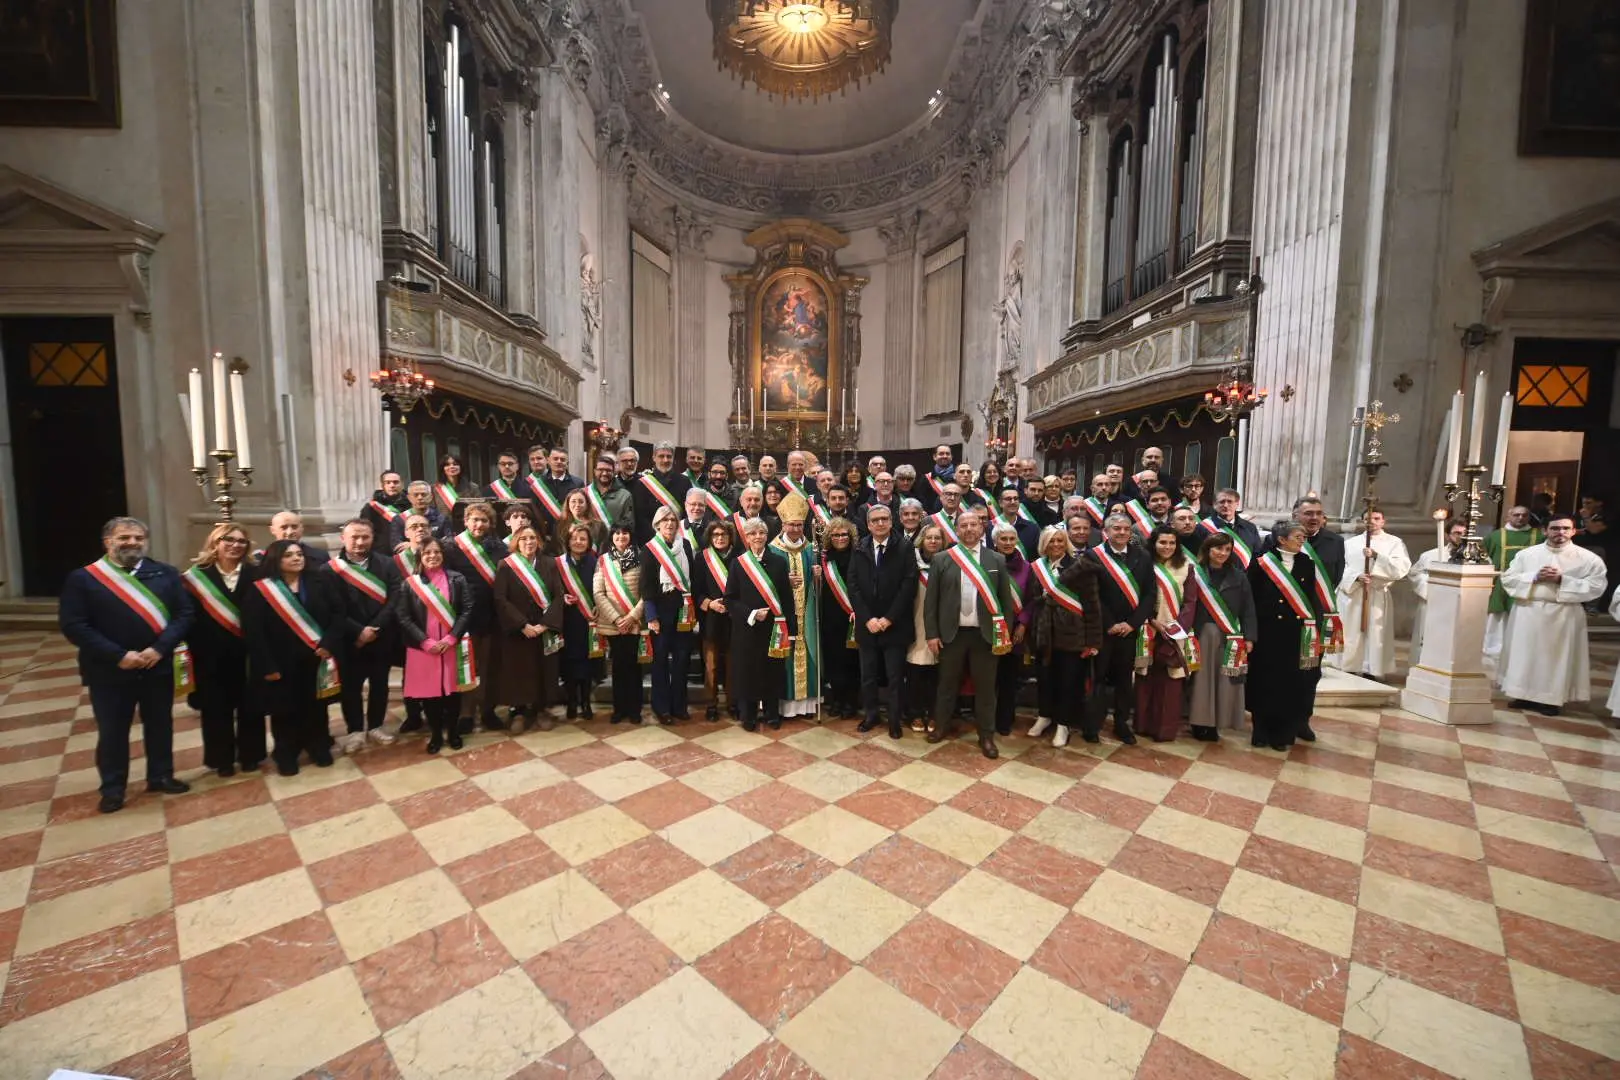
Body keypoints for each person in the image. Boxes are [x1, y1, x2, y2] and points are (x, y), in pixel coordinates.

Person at [61, 517, 195, 813]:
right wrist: (117, 655)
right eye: (124, 538)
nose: (132, 543)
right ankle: (113, 787)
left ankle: (161, 775)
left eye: (138, 537)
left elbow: (184, 615)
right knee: (112, 731)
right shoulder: (84, 579)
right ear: (108, 541)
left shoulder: (165, 573)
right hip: (109, 670)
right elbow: (74, 625)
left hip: (156, 665)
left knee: (160, 725)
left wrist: (159, 649)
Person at [924, 508, 1017, 759]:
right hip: (951, 635)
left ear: (982, 528)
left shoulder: (995, 560)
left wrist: (1003, 635)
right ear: (956, 529)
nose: (968, 529)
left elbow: (1006, 603)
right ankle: (941, 726)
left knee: (986, 689)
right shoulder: (942, 559)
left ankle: (986, 735)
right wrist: (932, 634)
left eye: (974, 524)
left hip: (985, 636)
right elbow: (931, 602)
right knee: (946, 685)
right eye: (963, 525)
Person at [246, 538, 343, 775]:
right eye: (289, 555)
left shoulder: (320, 581)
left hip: (316, 656)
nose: (296, 558)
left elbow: (338, 615)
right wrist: (266, 664)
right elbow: (254, 631)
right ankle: (286, 753)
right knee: (284, 709)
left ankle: (318, 746)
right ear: (276, 560)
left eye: (299, 554)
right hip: (281, 660)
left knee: (316, 707)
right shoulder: (262, 589)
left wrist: (329, 644)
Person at [1497, 515, 1609, 716]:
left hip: (1564, 613)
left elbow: (1597, 586)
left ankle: (1550, 699)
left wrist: (1562, 580)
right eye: (1555, 528)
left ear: (1574, 531)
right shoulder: (1527, 555)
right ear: (1545, 531)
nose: (1561, 533)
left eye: (1566, 528)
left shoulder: (1589, 559)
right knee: (1525, 655)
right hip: (1528, 610)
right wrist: (1534, 576)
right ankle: (1522, 694)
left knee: (1555, 659)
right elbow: (1508, 579)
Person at [184, 523, 262, 777]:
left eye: (241, 541)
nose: (235, 545)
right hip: (210, 654)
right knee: (216, 709)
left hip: (248, 653)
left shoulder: (255, 573)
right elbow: (188, 617)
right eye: (228, 540)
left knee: (250, 707)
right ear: (215, 543)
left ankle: (251, 755)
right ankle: (222, 759)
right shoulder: (196, 576)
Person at [1248, 521, 1325, 751]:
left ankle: (1283, 734)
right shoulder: (1263, 563)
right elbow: (1251, 599)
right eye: (1298, 537)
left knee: (1290, 684)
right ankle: (1260, 730)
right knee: (1263, 681)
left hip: (1295, 634)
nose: (1303, 540)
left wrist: (1314, 631)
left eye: (1303, 537)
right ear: (1282, 539)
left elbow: (1312, 599)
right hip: (1268, 632)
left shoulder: (1307, 564)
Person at [327, 518, 399, 753]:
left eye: (365, 537)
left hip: (381, 637)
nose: (359, 541)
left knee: (380, 685)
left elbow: (395, 599)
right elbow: (330, 608)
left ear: (372, 538)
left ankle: (376, 725)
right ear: (343, 539)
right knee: (350, 687)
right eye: (354, 537)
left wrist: (374, 628)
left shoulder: (388, 564)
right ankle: (355, 730)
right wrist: (358, 631)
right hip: (349, 640)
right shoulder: (329, 570)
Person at [395, 538, 474, 753]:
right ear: (420, 556)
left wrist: (452, 638)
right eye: (427, 552)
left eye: (437, 552)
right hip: (424, 649)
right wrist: (424, 641)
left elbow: (467, 609)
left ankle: (453, 732)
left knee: (452, 694)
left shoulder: (456, 579)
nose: (433, 556)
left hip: (451, 646)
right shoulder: (410, 584)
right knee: (431, 696)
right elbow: (403, 616)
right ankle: (436, 734)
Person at [1027, 525, 1103, 746]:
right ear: (1044, 544)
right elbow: (1034, 601)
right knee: (1045, 678)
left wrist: (1093, 641)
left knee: (1068, 682)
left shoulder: (1080, 567)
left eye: (1060, 541)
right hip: (1044, 634)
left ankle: (1063, 724)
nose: (1056, 545)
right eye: (1052, 541)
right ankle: (1044, 715)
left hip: (1073, 635)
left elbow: (1092, 606)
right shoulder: (1037, 568)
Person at [850, 503, 916, 739]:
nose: (880, 523)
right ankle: (871, 715)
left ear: (891, 521)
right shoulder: (860, 546)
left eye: (884, 519)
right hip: (868, 625)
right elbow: (853, 586)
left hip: (894, 624)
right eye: (875, 520)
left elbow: (908, 585)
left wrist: (888, 618)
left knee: (895, 676)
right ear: (868, 524)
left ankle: (894, 720)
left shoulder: (905, 547)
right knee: (868, 674)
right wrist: (867, 619)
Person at [491, 525, 566, 732]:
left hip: (544, 628)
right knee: (519, 670)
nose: (529, 542)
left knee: (545, 669)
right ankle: (520, 711)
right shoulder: (506, 565)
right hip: (519, 630)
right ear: (516, 542)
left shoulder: (549, 563)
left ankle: (542, 709)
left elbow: (559, 596)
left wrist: (544, 625)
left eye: (532, 538)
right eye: (524, 539)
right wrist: (522, 625)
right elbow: (500, 598)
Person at [725, 518, 797, 731]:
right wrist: (752, 614)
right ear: (746, 538)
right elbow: (730, 599)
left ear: (767, 536)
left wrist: (791, 630)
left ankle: (772, 713)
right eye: (752, 533)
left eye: (761, 533)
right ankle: (748, 715)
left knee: (772, 671)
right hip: (747, 629)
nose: (757, 537)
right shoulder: (738, 563)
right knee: (747, 672)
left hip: (774, 629)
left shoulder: (779, 562)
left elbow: (786, 598)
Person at [445, 503, 508, 733]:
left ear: (491, 524)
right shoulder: (451, 548)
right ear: (466, 521)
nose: (479, 524)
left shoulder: (499, 548)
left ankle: (488, 710)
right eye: (475, 520)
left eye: (484, 520)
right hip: (464, 618)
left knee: (491, 666)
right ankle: (466, 713)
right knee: (467, 666)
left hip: (492, 617)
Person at [1187, 532, 1256, 741]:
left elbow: (1248, 609)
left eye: (1227, 549)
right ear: (1208, 549)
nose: (1222, 553)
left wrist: (1250, 637)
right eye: (1218, 548)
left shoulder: (1239, 576)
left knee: (1225, 680)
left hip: (1230, 637)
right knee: (1202, 681)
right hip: (1202, 634)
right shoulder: (1194, 573)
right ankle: (1200, 723)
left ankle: (1217, 722)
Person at [1329, 510, 1411, 680]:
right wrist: (1356, 577)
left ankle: (1371, 669)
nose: (1371, 522)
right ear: (1362, 521)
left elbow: (1401, 567)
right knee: (1350, 632)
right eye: (1367, 519)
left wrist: (1377, 556)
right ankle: (1349, 665)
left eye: (1376, 518)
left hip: (1376, 593)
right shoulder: (1350, 543)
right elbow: (1339, 567)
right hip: (1353, 593)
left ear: (1383, 521)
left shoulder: (1394, 543)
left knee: (1375, 633)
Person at [1092, 513, 1152, 744]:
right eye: (1116, 529)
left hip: (1129, 630)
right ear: (1106, 532)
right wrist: (1110, 623)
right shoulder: (1094, 556)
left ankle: (1121, 724)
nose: (1122, 533)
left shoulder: (1143, 557)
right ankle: (1093, 724)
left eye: (1126, 529)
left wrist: (1132, 623)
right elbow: (1092, 595)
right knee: (1098, 678)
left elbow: (1149, 594)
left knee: (1124, 681)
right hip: (1104, 629)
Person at [1134, 526, 1195, 742]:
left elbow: (1190, 601)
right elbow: (1137, 595)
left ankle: (1164, 730)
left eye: (1172, 543)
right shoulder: (1143, 564)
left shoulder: (1187, 566)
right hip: (1148, 628)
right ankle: (1142, 725)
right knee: (1145, 677)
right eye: (1162, 543)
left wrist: (1178, 628)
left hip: (1176, 631)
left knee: (1171, 682)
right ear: (1154, 543)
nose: (1167, 547)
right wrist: (1152, 620)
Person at [644, 505, 699, 724]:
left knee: (682, 660)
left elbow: (692, 576)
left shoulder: (684, 545)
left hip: (683, 609)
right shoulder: (650, 549)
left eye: (673, 520)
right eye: (664, 521)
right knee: (660, 662)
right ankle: (662, 707)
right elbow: (646, 586)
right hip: (660, 610)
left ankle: (679, 706)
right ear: (657, 525)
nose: (669, 524)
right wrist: (651, 616)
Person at [595, 523, 648, 724]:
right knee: (618, 666)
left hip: (634, 622)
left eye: (625, 532)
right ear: (611, 537)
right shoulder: (603, 561)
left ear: (631, 536)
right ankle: (619, 709)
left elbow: (647, 591)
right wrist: (617, 619)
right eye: (617, 533)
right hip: (613, 623)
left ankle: (635, 710)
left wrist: (632, 617)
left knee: (634, 667)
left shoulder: (642, 558)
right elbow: (598, 593)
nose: (621, 536)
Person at [1483, 506, 1542, 673]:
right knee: (1498, 616)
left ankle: (1520, 648)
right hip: (1500, 580)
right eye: (1516, 515)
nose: (1520, 518)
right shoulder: (1495, 536)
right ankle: (1494, 650)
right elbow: (1484, 556)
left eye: (1524, 515)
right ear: (1508, 517)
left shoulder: (1538, 536)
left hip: (1528, 581)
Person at [555, 522, 604, 721]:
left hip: (589, 621)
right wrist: (561, 599)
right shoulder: (558, 564)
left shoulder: (596, 563)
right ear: (568, 541)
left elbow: (603, 589)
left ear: (589, 542)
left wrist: (598, 606)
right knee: (568, 664)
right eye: (574, 538)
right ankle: (571, 702)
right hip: (567, 621)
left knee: (587, 663)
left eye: (583, 539)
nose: (578, 542)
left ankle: (586, 701)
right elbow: (550, 591)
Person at [990, 521, 1033, 737]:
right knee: (989, 678)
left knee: (1008, 678)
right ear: (995, 542)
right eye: (1003, 539)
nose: (1007, 543)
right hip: (990, 630)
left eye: (1011, 539)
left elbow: (1031, 600)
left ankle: (1005, 719)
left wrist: (1023, 624)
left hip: (1015, 631)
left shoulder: (1027, 567)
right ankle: (987, 718)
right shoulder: (986, 563)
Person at [818, 516, 862, 720]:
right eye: (835, 534)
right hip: (830, 617)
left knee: (851, 661)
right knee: (833, 660)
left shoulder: (860, 556)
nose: (840, 537)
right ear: (829, 537)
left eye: (844, 534)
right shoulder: (824, 559)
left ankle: (850, 702)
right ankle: (836, 699)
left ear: (851, 535)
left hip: (853, 616)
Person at [904, 524, 947, 732]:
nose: (932, 541)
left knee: (937, 673)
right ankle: (915, 713)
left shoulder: (949, 561)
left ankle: (934, 714)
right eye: (928, 537)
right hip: (915, 620)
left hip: (941, 623)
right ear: (922, 540)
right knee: (915, 671)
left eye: (937, 538)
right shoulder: (911, 561)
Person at [693, 519, 736, 722]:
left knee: (732, 663)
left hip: (733, 619)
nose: (720, 538)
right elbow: (696, 591)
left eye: (724, 535)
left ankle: (732, 702)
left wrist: (732, 605)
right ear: (710, 537)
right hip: (710, 619)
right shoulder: (702, 559)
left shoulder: (739, 558)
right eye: (716, 535)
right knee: (711, 665)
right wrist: (710, 604)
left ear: (730, 537)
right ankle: (711, 704)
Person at [1410, 520, 1466, 661]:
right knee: (1429, 637)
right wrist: (1432, 589)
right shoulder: (1430, 555)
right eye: (1457, 533)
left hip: (1462, 606)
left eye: (1464, 533)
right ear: (1447, 535)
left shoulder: (1476, 558)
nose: (1461, 537)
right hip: (1433, 604)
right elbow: (1415, 574)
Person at [632, 441, 693, 542]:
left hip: (679, 538)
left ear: (673, 458)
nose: (665, 460)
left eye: (669, 456)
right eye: (661, 456)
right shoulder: (642, 484)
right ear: (654, 458)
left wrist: (677, 535)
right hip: (652, 542)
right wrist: (658, 539)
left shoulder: (684, 482)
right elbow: (640, 518)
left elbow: (688, 513)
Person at [526, 446, 583, 530]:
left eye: (562, 460)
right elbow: (535, 511)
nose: (559, 462)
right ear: (548, 461)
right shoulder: (538, 484)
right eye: (555, 459)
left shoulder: (578, 483)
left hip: (570, 531)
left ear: (567, 463)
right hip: (545, 532)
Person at [1199, 489, 1261, 565]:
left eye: (1230, 501)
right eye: (1222, 502)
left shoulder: (1250, 528)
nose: (1225, 505)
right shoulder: (1203, 527)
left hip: (1243, 575)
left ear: (1237, 504)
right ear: (1215, 504)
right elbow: (1199, 555)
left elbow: (1257, 555)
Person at [585, 455, 634, 533]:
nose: (604, 473)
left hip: (613, 542)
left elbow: (628, 524)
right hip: (588, 542)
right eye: (600, 469)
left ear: (614, 472)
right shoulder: (584, 493)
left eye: (608, 470)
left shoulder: (625, 495)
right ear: (594, 471)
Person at [391, 482, 449, 547]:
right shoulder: (399, 520)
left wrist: (416, 545)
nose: (420, 498)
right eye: (416, 495)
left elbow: (449, 542)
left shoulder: (442, 518)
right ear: (409, 498)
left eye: (423, 494)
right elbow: (396, 546)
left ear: (431, 497)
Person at [552, 487, 607, 554]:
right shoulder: (560, 525)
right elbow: (555, 549)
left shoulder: (599, 526)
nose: (577, 505)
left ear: (587, 504)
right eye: (573, 501)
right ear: (568, 504)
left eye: (581, 502)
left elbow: (603, 552)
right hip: (565, 563)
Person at [268, 510, 333, 565]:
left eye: (294, 527)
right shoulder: (264, 559)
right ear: (272, 530)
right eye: (284, 527)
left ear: (302, 528)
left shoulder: (320, 557)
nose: (289, 532)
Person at [361, 470, 411, 540]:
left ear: (402, 485)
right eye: (388, 482)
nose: (392, 485)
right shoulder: (371, 508)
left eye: (395, 482)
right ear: (382, 486)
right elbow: (364, 531)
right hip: (380, 549)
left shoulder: (412, 504)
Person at [434, 452, 480, 525]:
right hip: (443, 527)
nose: (452, 467)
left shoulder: (473, 487)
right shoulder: (435, 489)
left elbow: (478, 508)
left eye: (455, 464)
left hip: (467, 526)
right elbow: (433, 511)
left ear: (461, 467)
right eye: (447, 465)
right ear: (443, 468)